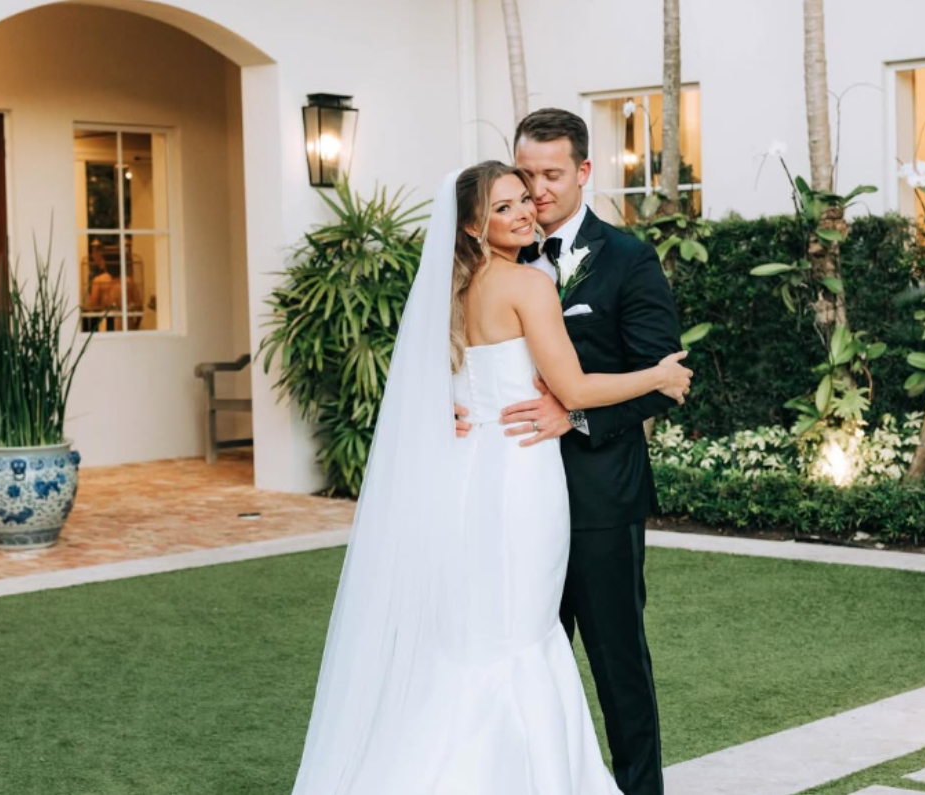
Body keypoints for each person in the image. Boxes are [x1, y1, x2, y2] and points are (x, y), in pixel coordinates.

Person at [288, 162, 692, 795]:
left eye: (523, 200)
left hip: (474, 477)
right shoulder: (529, 284)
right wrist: (659, 377)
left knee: (489, 632)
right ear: (474, 226)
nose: (525, 212)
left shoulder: (452, 293)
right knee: (522, 633)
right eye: (503, 208)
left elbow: (442, 388)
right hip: (522, 479)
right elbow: (576, 387)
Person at [456, 109, 684, 795]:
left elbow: (661, 376)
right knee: (515, 660)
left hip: (597, 500)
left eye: (552, 175)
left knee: (619, 667)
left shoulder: (627, 258)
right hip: (509, 500)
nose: (537, 192)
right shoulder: (490, 258)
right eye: (525, 176)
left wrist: (576, 411)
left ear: (585, 172)